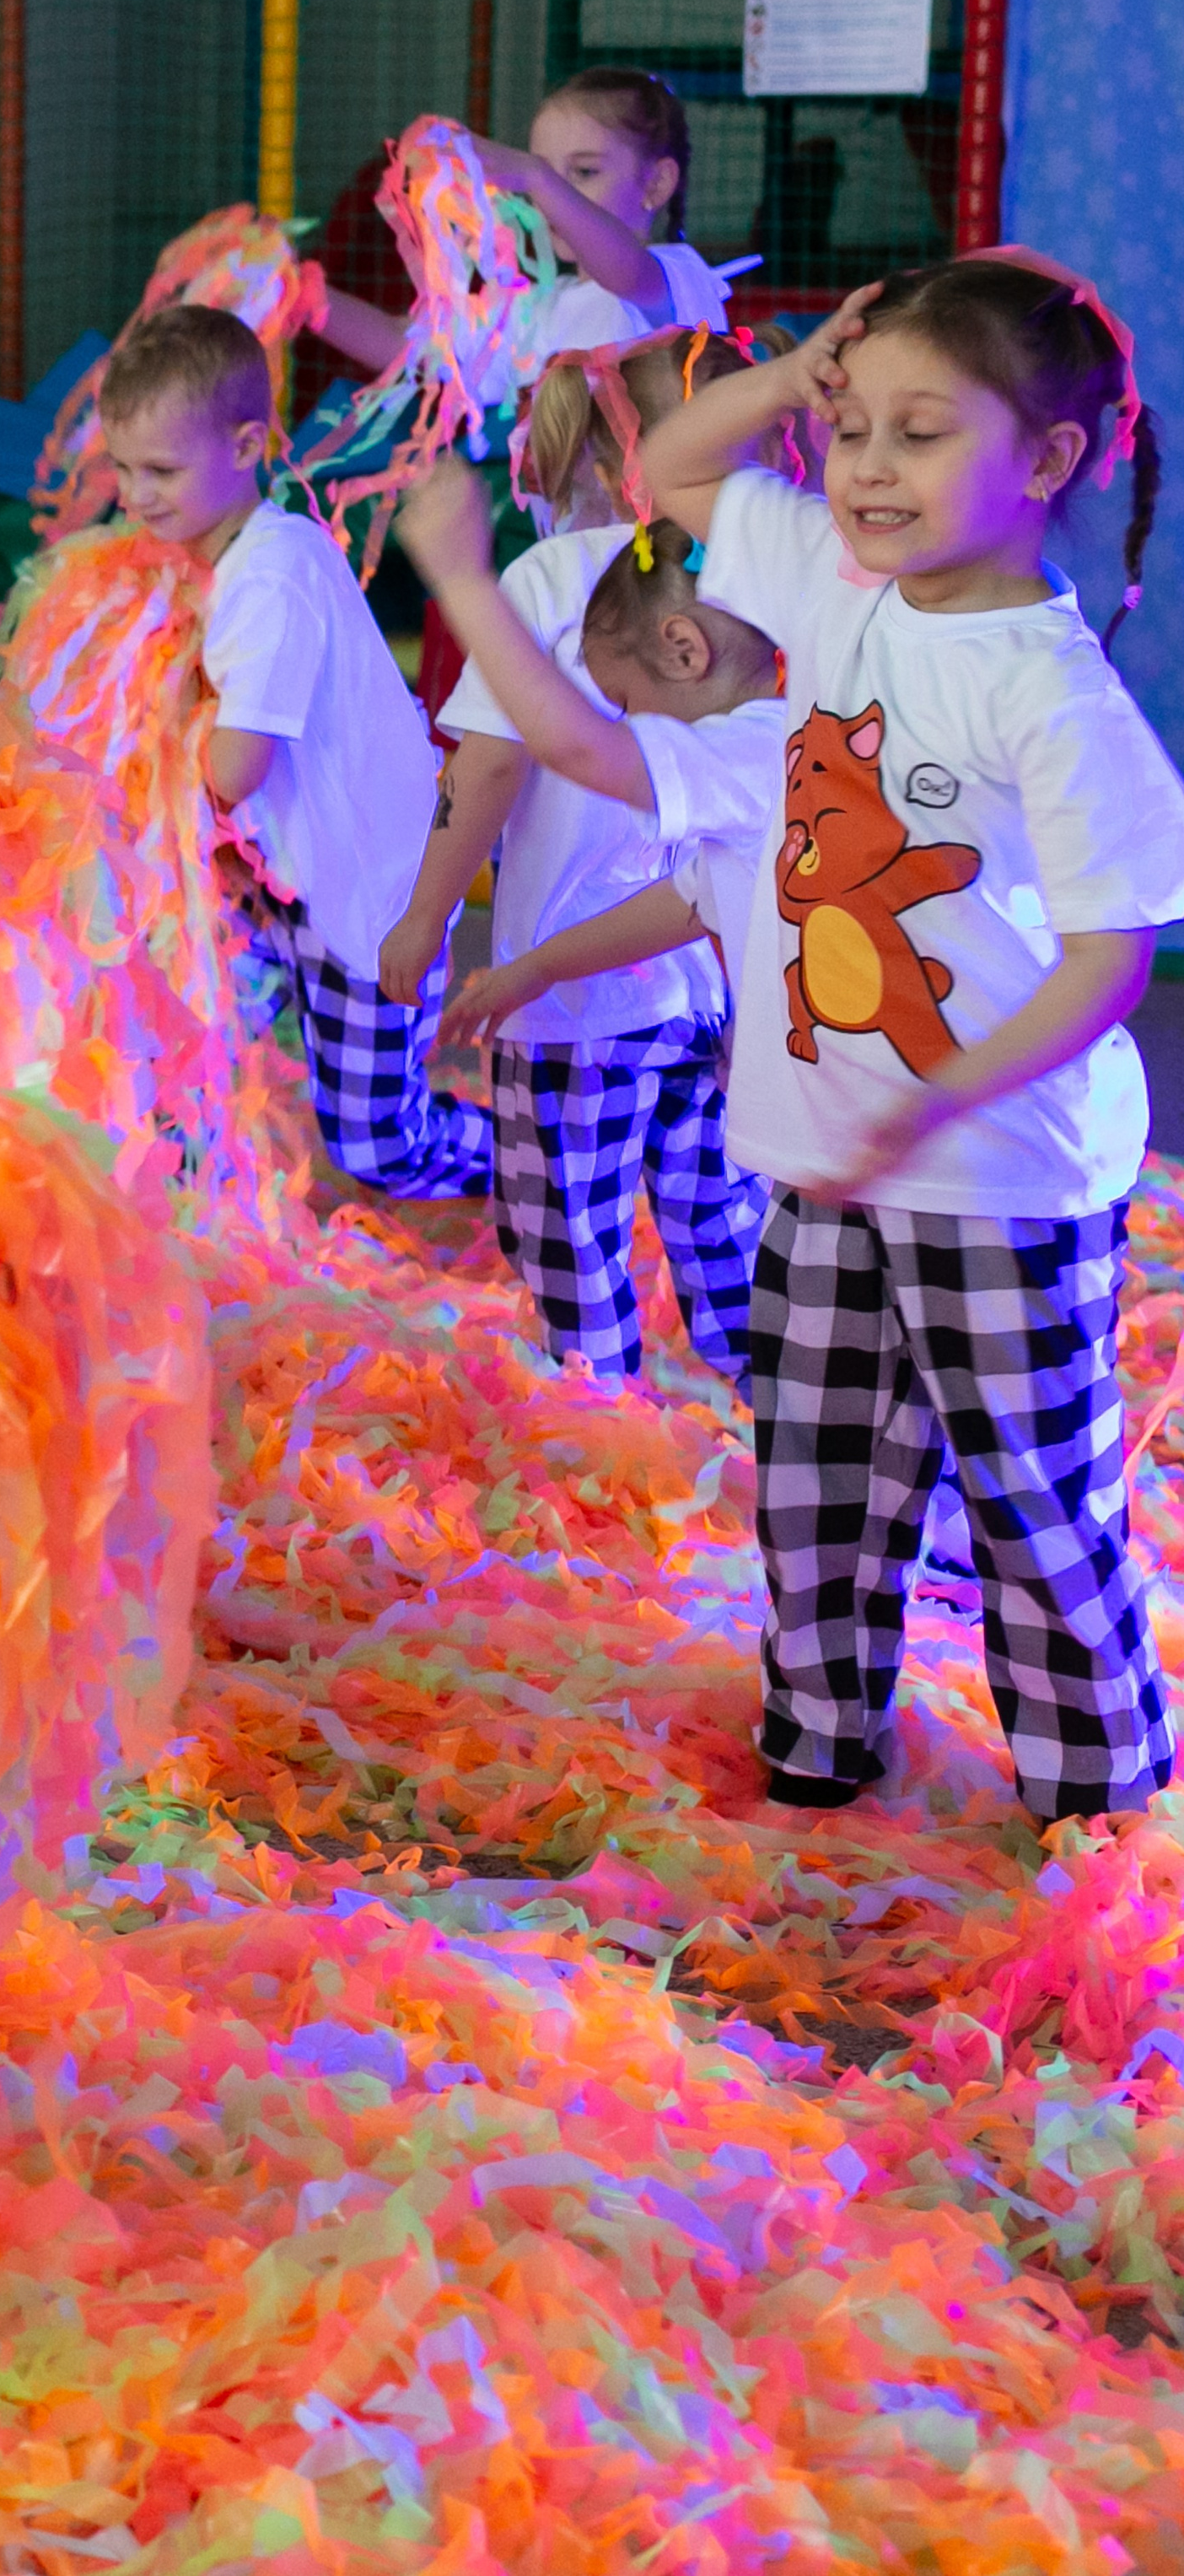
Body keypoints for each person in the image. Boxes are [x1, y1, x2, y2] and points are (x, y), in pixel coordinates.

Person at [641, 251, 1182, 1822]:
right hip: (827, 1160)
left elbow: (1110, 963)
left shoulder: (1052, 695)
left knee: (1031, 1496)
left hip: (996, 1178)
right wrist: (786, 376)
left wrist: (944, 1096)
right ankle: (820, 1739)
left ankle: (1098, 1799)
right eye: (854, 430)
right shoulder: (836, 585)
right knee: (817, 1473)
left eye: (922, 433)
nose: (870, 468)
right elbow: (671, 465)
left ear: (1050, 459)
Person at [396, 462, 779, 1386]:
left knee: (569, 1238)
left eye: (631, 705)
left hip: (576, 1035)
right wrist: (540, 967)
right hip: (697, 1012)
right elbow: (686, 899)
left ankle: (597, 1410)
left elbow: (545, 752)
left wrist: (459, 578)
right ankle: (768, 1389)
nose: (633, 725)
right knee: (719, 1224)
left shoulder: (561, 581)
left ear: (683, 652)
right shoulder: (790, 690)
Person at [100, 304, 489, 1197]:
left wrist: (152, 735)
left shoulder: (268, 581)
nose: (137, 494)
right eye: (123, 468)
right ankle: (184, 1201)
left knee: (378, 1146)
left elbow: (236, 770)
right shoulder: (226, 557)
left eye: (161, 470)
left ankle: (532, 1160)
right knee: (178, 1049)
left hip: (371, 896)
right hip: (280, 883)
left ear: (245, 446)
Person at [315, 67, 751, 386]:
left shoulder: (676, 278)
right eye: (547, 173)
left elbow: (628, 272)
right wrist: (302, 292)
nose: (549, 196)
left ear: (657, 184)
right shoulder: (541, 310)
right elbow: (405, 344)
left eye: (584, 172)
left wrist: (535, 175)